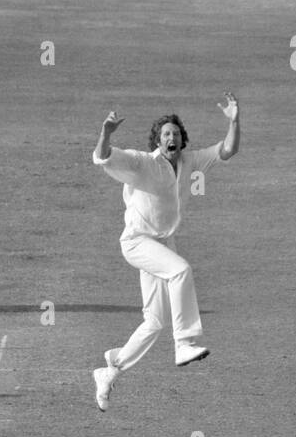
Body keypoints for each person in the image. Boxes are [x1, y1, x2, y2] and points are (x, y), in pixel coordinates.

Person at [91, 94, 239, 411]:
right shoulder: (141, 162)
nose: (171, 137)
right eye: (165, 134)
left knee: (155, 322)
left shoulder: (189, 162)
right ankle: (184, 343)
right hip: (137, 241)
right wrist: (106, 131)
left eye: (175, 133)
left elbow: (227, 150)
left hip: (161, 243)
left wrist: (234, 121)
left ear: (182, 139)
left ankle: (111, 368)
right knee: (181, 270)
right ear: (158, 140)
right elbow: (103, 157)